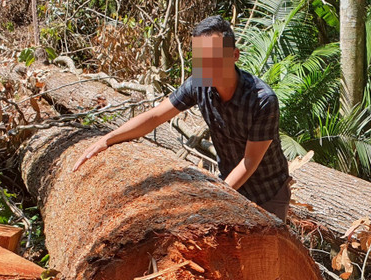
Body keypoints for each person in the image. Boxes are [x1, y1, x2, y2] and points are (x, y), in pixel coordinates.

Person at [72, 15, 291, 221]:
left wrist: (218, 195)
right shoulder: (200, 83)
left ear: (234, 55)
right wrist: (107, 139)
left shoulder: (262, 99)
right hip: (228, 183)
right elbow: (155, 116)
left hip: (267, 193)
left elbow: (249, 161)